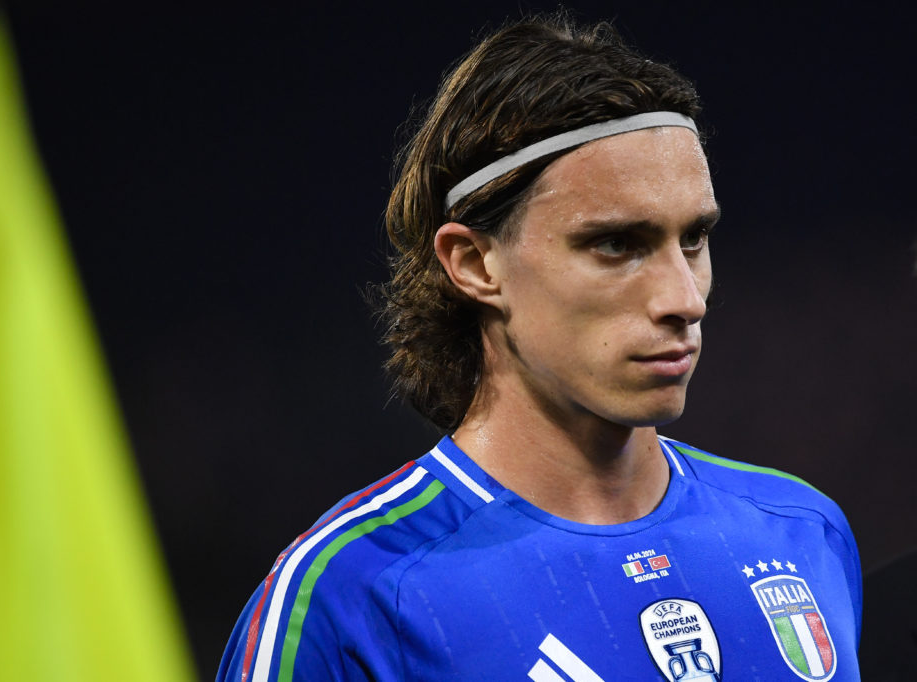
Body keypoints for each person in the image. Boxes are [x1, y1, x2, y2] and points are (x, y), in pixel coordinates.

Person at [217, 15, 861, 681]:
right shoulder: (355, 597)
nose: (685, 298)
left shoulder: (802, 531)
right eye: (616, 244)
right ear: (474, 263)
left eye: (693, 239)